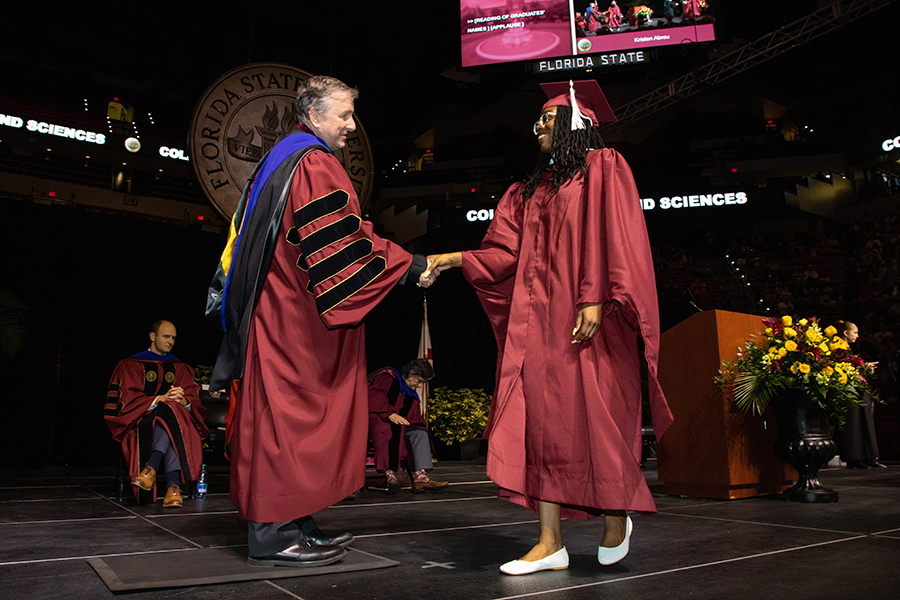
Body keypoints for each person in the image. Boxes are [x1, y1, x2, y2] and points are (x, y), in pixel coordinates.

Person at [423, 80, 672, 575]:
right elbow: (503, 254)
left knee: (597, 420)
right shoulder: (527, 192)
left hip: (593, 320)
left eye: (546, 118)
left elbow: (617, 234)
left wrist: (595, 295)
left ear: (576, 124)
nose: (536, 126)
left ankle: (616, 514)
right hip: (538, 325)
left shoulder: (604, 169)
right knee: (543, 427)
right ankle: (549, 541)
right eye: (535, 120)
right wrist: (449, 258)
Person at [209, 75, 431, 567]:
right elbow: (341, 245)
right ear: (313, 116)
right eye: (345, 115)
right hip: (292, 321)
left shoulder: (284, 156)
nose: (353, 125)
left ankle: (296, 523)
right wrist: (410, 266)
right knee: (285, 423)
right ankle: (271, 535)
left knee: (286, 420)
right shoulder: (312, 162)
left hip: (281, 309)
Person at [104, 320, 209, 508]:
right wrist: (158, 399)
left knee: (173, 410)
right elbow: (126, 400)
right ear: (153, 337)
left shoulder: (180, 368)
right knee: (170, 412)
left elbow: (194, 401)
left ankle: (149, 470)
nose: (170, 341)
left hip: (175, 421)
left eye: (174, 338)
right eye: (166, 336)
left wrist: (184, 401)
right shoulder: (131, 365)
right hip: (141, 420)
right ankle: (173, 487)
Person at [368, 358, 448, 494]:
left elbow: (413, 417)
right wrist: (389, 414)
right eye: (419, 380)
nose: (420, 385)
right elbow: (372, 396)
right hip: (381, 419)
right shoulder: (388, 377)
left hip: (401, 424)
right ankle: (390, 476)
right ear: (411, 374)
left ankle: (420, 478)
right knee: (386, 429)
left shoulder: (411, 394)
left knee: (420, 431)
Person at [836, 320, 886, 469]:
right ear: (846, 333)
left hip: (858, 390)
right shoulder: (837, 348)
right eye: (855, 332)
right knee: (853, 425)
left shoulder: (848, 349)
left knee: (865, 422)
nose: (857, 336)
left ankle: (869, 456)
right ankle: (854, 458)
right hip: (847, 391)